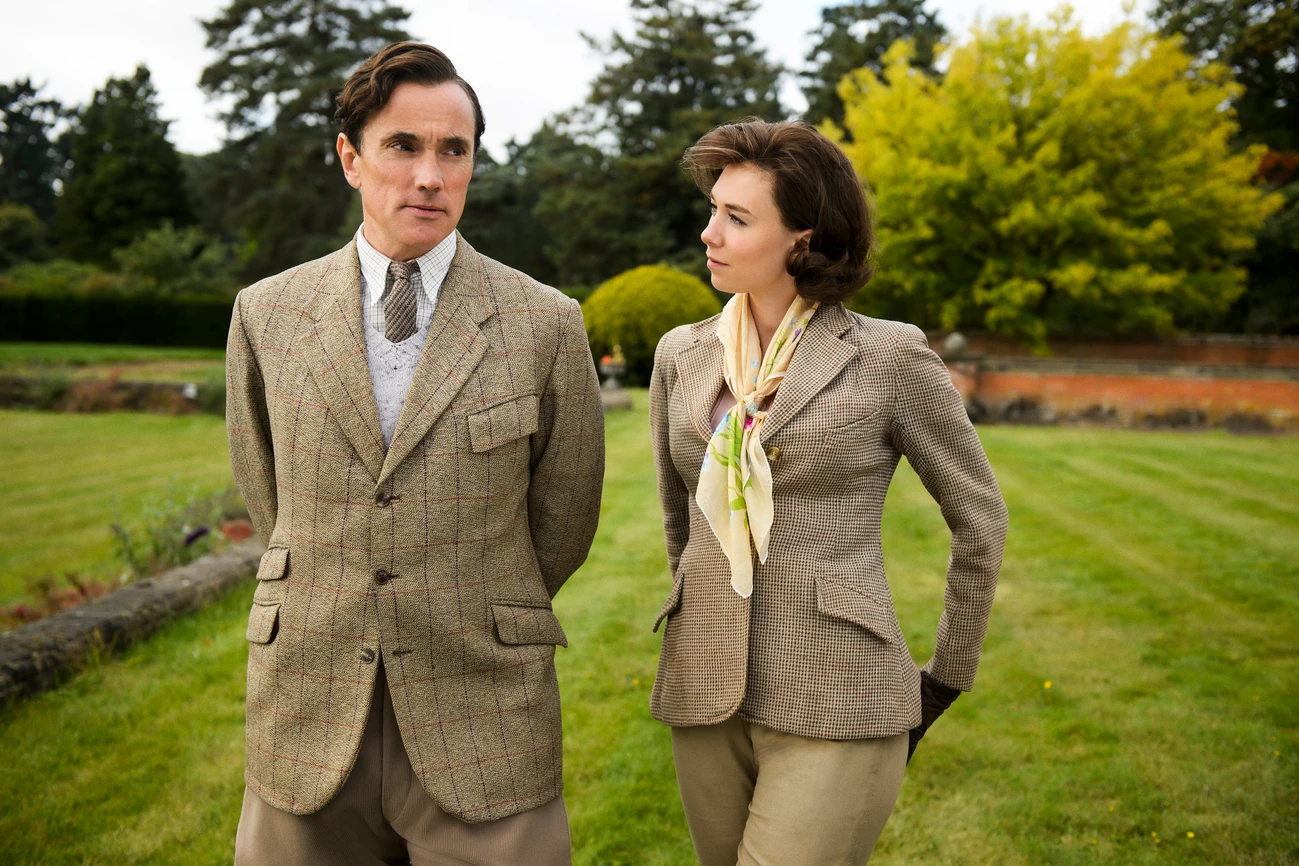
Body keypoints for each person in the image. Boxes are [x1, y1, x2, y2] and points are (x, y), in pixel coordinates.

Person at [225, 42, 605, 866]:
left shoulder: (545, 322)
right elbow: (269, 497)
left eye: (453, 150)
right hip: (310, 708)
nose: (430, 175)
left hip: (484, 711)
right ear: (350, 159)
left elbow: (565, 517)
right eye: (404, 146)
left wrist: (475, 596)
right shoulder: (267, 314)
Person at [648, 119, 1009, 865]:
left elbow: (979, 520)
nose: (708, 232)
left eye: (737, 218)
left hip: (839, 693)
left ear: (803, 241)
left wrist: (945, 678)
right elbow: (680, 520)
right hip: (703, 690)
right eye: (713, 208)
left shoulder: (887, 358)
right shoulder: (680, 354)